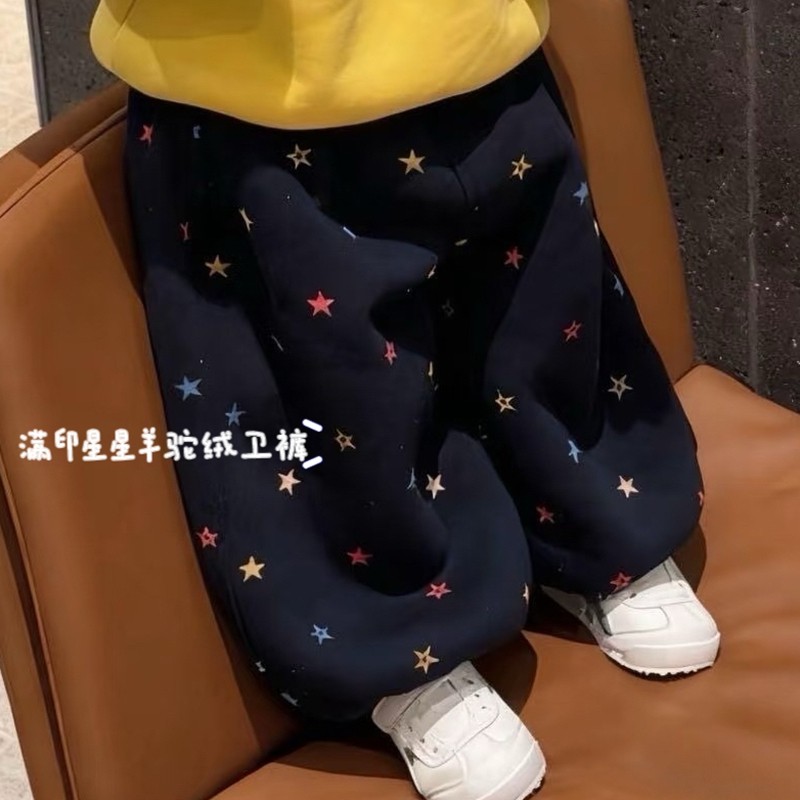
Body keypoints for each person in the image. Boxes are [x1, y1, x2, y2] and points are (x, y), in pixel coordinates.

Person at [89, 2, 721, 798]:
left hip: (480, 45)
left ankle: (585, 517)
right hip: (254, 91)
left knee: (546, 317)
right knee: (332, 391)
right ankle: (395, 628)